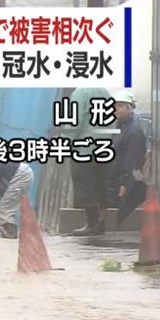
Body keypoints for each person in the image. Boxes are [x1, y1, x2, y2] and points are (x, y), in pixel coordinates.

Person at [64, 86, 112, 236]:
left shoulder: (80, 92)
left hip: (84, 149)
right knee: (101, 186)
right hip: (103, 147)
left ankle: (91, 223)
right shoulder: (104, 91)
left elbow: (74, 121)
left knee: (85, 187)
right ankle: (101, 222)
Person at [106, 89, 148, 210]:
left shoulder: (134, 132)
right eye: (114, 106)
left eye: (120, 106)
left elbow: (133, 161)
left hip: (122, 186)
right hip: (113, 182)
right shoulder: (120, 128)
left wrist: (125, 184)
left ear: (130, 108)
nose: (115, 109)